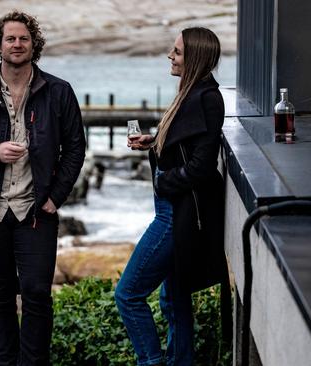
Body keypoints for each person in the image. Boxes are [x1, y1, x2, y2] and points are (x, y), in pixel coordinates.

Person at [0, 11, 86, 366]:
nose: (17, 44)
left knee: (36, 294)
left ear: (34, 44)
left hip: (36, 210)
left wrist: (55, 197)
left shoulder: (58, 91)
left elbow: (76, 147)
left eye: (23, 38)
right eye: (10, 39)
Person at [114, 27, 229, 366]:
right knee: (174, 300)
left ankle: (151, 362)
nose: (171, 55)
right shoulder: (191, 92)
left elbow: (202, 166)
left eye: (177, 52)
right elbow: (188, 145)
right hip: (172, 208)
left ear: (194, 57)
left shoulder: (207, 98)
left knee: (129, 294)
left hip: (175, 212)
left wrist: (164, 181)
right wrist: (156, 142)